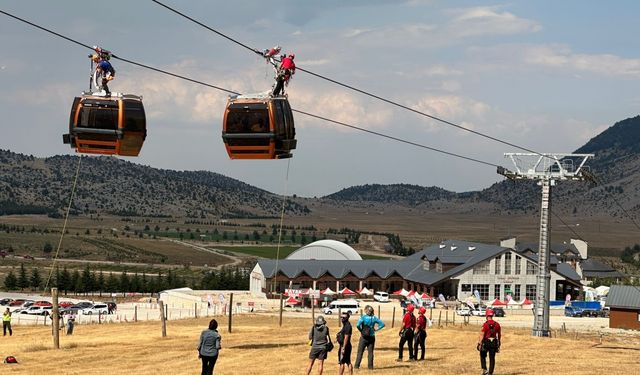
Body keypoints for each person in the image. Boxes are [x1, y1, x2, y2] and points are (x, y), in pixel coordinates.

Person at [354, 305, 385, 370]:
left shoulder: (363, 317)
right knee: (370, 353)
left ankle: (356, 366)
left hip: (363, 337)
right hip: (371, 336)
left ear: (366, 310)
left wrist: (361, 330)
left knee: (360, 352)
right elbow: (382, 324)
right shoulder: (374, 318)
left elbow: (357, 325)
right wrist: (376, 329)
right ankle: (370, 367)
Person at [477, 309, 501, 375]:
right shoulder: (497, 324)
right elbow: (499, 335)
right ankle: (490, 372)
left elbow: (482, 334)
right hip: (493, 342)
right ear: (492, 315)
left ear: (486, 315)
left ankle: (484, 370)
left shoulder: (485, 324)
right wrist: (499, 343)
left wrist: (479, 343)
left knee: (482, 355)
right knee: (492, 358)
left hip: (486, 342)